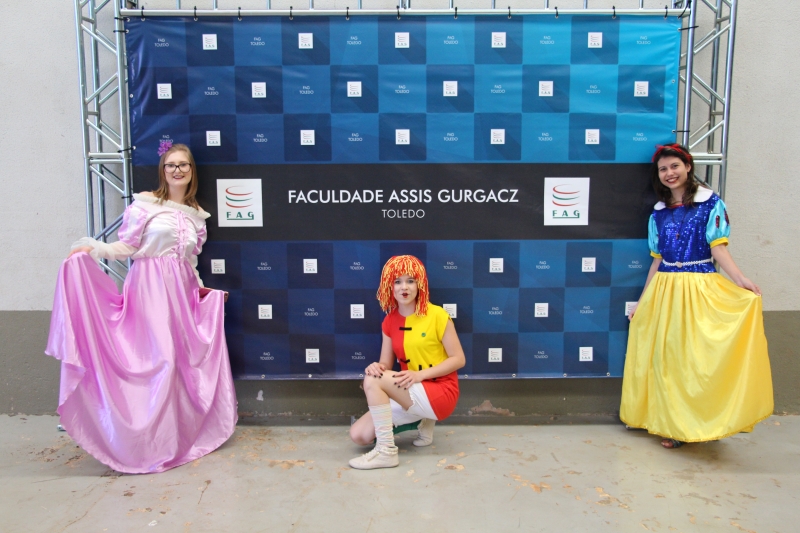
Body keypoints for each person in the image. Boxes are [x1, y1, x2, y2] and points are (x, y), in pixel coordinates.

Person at [46, 143, 237, 473]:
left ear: (192, 170)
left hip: (181, 294)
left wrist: (201, 289)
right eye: (171, 165)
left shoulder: (197, 216)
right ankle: (143, 444)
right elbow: (127, 247)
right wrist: (93, 248)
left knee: (178, 365)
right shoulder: (145, 205)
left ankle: (172, 439)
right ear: (163, 170)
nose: (177, 170)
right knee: (160, 361)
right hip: (149, 288)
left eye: (184, 165)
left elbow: (190, 261)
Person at [620, 143, 773, 449]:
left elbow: (719, 248)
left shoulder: (710, 203)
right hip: (665, 290)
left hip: (698, 287)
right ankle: (669, 423)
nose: (669, 173)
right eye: (663, 169)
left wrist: (740, 279)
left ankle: (695, 423)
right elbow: (657, 261)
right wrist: (644, 300)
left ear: (688, 167)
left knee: (693, 360)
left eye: (675, 166)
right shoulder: (658, 213)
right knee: (667, 360)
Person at [348, 255, 466, 469]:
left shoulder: (437, 315)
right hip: (410, 389)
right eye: (397, 281)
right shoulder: (389, 320)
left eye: (410, 281)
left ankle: (386, 451)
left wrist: (419, 375)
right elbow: (385, 363)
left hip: (441, 391)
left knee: (373, 381)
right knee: (359, 435)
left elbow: (459, 359)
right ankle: (421, 419)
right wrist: (377, 367)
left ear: (420, 284)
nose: (404, 287)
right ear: (389, 286)